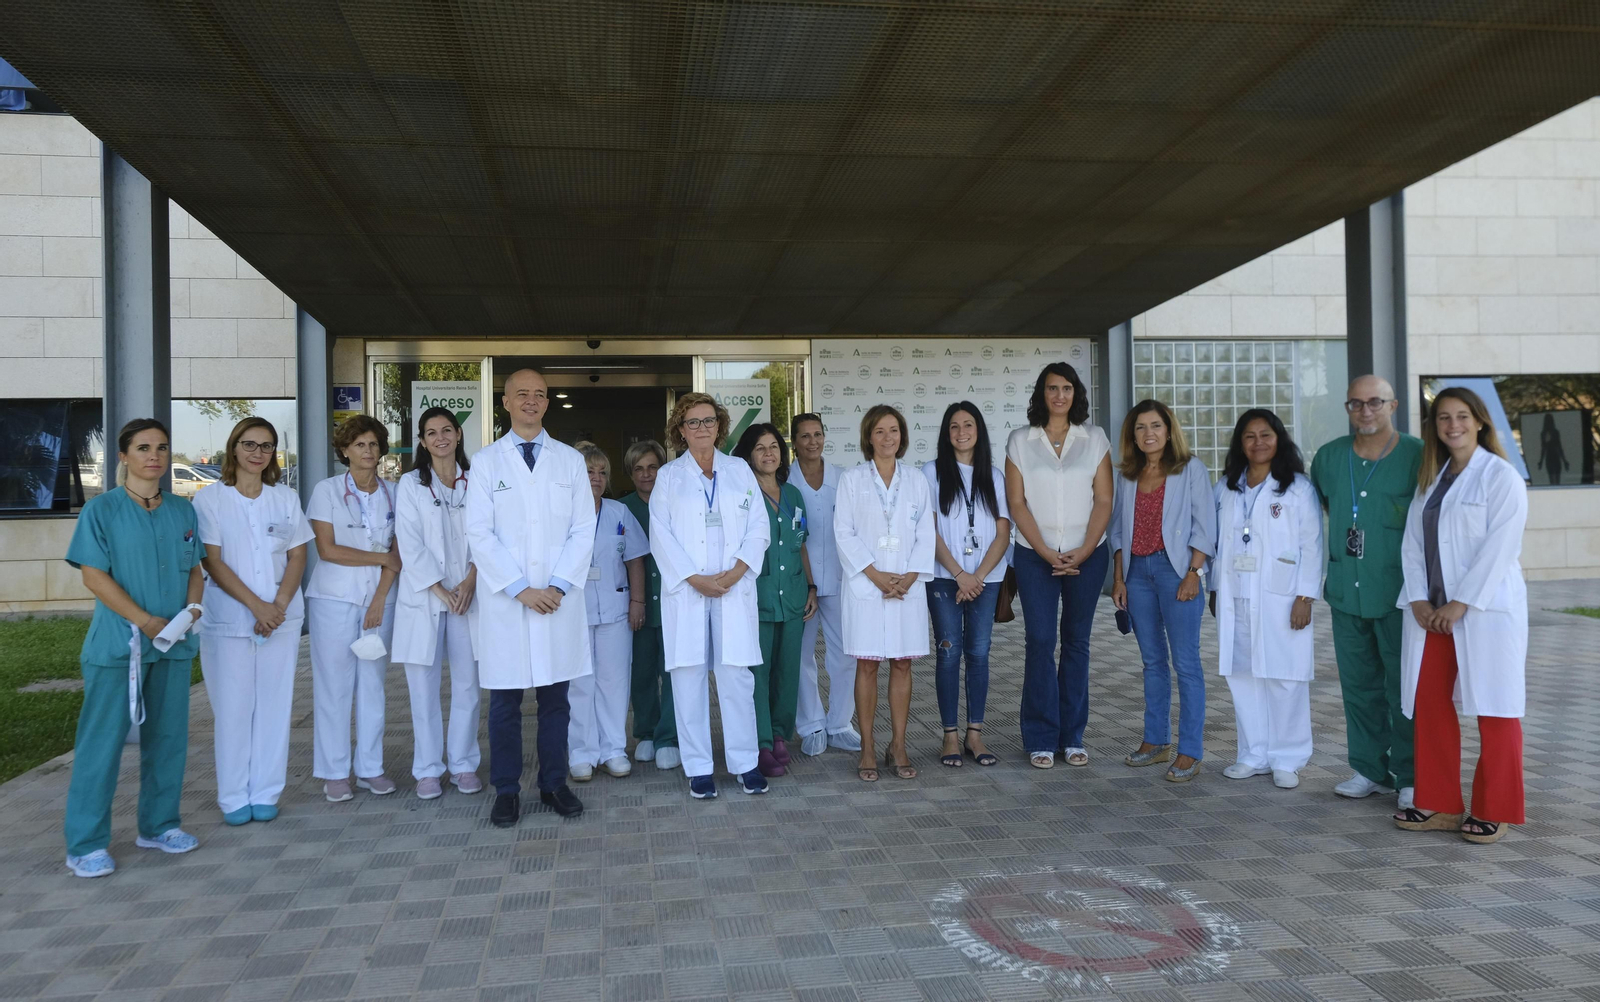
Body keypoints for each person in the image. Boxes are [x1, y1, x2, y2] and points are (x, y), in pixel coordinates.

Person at [62, 418, 205, 877]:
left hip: (171, 645)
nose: (154, 456)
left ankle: (160, 826)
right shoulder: (101, 511)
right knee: (101, 745)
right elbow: (93, 575)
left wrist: (193, 610)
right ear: (123, 456)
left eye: (161, 447)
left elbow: (195, 569)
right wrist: (144, 620)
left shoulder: (183, 511)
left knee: (168, 741)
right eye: (143, 448)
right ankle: (85, 844)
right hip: (119, 646)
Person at [1393, 387, 1529, 844]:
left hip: (1483, 612)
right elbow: (1412, 544)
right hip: (1432, 614)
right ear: (1434, 427)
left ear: (1480, 421)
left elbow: (1500, 548)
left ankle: (1495, 808)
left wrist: (1462, 602)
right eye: (1444, 418)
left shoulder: (1501, 476)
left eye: (1462, 416)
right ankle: (1440, 804)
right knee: (1429, 702)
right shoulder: (1432, 478)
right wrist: (1417, 598)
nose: (1453, 425)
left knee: (1495, 706)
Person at [464, 368, 593, 824]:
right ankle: (506, 790)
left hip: (558, 600)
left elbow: (583, 529)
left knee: (556, 701)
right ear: (505, 402)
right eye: (522, 394)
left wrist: (556, 586)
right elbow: (479, 533)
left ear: (547, 403)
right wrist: (521, 589)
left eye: (539, 394)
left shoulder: (569, 461)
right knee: (505, 704)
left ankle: (554, 784)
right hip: (508, 602)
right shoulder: (485, 462)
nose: (531, 401)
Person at [1308, 375, 1424, 810]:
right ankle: (1370, 770)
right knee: (1358, 687)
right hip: (1346, 592)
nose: (1365, 410)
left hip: (1400, 596)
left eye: (1375, 401)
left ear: (1393, 406)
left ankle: (1410, 776)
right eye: (1355, 403)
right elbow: (1326, 505)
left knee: (1403, 690)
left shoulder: (1419, 455)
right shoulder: (1330, 457)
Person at [193, 417, 313, 825]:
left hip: (280, 618)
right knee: (233, 709)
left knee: (274, 707)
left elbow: (298, 554)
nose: (257, 453)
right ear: (233, 448)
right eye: (249, 444)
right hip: (230, 620)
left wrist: (277, 605)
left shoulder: (285, 498)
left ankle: (265, 791)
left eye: (266, 446)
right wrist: (257, 607)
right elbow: (212, 560)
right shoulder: (210, 500)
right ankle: (232, 796)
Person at [649, 394, 769, 798]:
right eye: (693, 422)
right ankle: (699, 768)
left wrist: (736, 572)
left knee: (736, 677)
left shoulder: (739, 469)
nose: (702, 428)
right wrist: (694, 579)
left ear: (720, 426)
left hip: (733, 588)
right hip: (689, 591)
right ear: (680, 431)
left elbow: (758, 526)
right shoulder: (669, 477)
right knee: (688, 678)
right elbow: (660, 534)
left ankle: (745, 763)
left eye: (709, 420)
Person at [1004, 362, 1113, 769]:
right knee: (1040, 640)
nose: (1059, 395)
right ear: (1042, 393)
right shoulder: (1020, 440)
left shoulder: (1094, 438)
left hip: (1088, 554)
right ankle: (1040, 736)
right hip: (1035, 556)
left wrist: (1083, 550)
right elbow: (1017, 503)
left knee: (1076, 642)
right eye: (1052, 388)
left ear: (1076, 393)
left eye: (1066, 388)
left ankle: (1072, 736)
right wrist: (1046, 551)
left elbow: (1104, 499)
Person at [1211, 409, 1323, 789]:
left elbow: (1312, 544)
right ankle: (1253, 754)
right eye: (1249, 436)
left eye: (1266, 435)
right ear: (1239, 443)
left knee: (1284, 677)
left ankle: (1287, 758)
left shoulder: (1297, 488)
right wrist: (1214, 588)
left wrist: (1305, 596)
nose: (1258, 443)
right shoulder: (1226, 487)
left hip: (1282, 597)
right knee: (1243, 675)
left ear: (1279, 440)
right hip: (1237, 597)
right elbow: (1217, 544)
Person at [1108, 400, 1215, 783]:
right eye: (1140, 427)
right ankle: (1156, 741)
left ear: (1169, 431)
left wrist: (1194, 572)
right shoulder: (1128, 475)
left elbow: (1205, 525)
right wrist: (1119, 578)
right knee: (1152, 661)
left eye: (1155, 425)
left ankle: (1190, 751)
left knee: (1185, 663)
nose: (1148, 433)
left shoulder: (1190, 469)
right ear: (1133, 436)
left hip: (1177, 573)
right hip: (1137, 573)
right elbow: (1117, 531)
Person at [836, 404, 936, 782]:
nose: (887, 437)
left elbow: (926, 532)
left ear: (903, 436)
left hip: (906, 587)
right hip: (868, 585)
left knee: (902, 663)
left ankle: (898, 745)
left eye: (893, 430)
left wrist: (909, 577)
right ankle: (867, 746)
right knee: (867, 664)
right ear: (868, 437)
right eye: (879, 431)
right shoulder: (852, 480)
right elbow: (843, 532)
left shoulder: (916, 480)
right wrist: (876, 576)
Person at [307, 414, 401, 802]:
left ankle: (370, 769)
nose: (368, 450)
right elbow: (328, 550)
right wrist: (379, 558)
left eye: (374, 444)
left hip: (380, 600)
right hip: (334, 600)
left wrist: (379, 598)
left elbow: (399, 554)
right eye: (360, 444)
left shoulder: (395, 492)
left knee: (373, 685)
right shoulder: (327, 491)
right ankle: (334, 772)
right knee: (334, 686)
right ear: (345, 450)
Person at [393, 406, 482, 801]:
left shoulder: (476, 479)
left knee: (468, 686)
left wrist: (471, 579)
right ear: (422, 441)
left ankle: (463, 764)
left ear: (458, 435)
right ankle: (428, 769)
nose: (441, 438)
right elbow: (408, 543)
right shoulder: (411, 484)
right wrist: (440, 589)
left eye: (447, 430)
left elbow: (490, 534)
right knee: (423, 690)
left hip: (468, 595)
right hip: (426, 597)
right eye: (432, 433)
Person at [921, 402, 1009, 769]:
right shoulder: (931, 472)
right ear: (946, 433)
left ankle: (975, 734)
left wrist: (978, 576)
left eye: (968, 424)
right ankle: (949, 737)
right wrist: (960, 574)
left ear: (979, 430)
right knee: (948, 652)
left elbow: (1003, 533)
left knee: (979, 652)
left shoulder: (995, 476)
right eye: (954, 426)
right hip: (946, 578)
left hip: (987, 579)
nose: (961, 432)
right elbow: (930, 531)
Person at [733, 423, 817, 778]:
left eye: (774, 446)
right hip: (758, 596)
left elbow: (800, 544)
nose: (769, 453)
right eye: (760, 448)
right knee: (759, 673)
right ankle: (762, 741)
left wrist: (810, 587)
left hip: (793, 596)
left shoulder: (793, 494)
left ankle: (781, 734)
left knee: (788, 671)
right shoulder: (742, 494)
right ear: (748, 455)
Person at [570, 441, 648, 782]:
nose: (596, 478)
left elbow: (635, 560)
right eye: (589, 471)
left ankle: (613, 750)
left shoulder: (618, 512)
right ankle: (581, 753)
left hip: (616, 609)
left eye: (602, 472)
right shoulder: (562, 511)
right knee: (579, 683)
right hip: (573, 611)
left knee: (614, 682)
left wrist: (637, 602)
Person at [790, 413, 861, 756]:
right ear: (794, 442)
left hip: (839, 578)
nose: (813, 441)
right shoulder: (785, 482)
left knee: (845, 654)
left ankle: (840, 724)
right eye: (805, 436)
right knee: (801, 656)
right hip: (799, 583)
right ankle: (811, 725)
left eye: (817, 434)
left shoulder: (843, 478)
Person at [620, 440, 680, 771]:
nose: (646, 474)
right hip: (637, 605)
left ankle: (668, 737)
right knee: (641, 670)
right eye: (639, 469)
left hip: (673, 602)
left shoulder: (676, 502)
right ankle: (646, 732)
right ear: (630, 474)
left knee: (672, 671)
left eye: (653, 467)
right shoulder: (621, 509)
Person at [1537, 412, 1569, 485]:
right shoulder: (1553, 432)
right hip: (1554, 456)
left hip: (1551, 457)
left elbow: (1544, 449)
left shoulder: (1545, 433)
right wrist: (1564, 460)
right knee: (1556, 478)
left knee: (1553, 478)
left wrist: (1541, 461)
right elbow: (1559, 447)